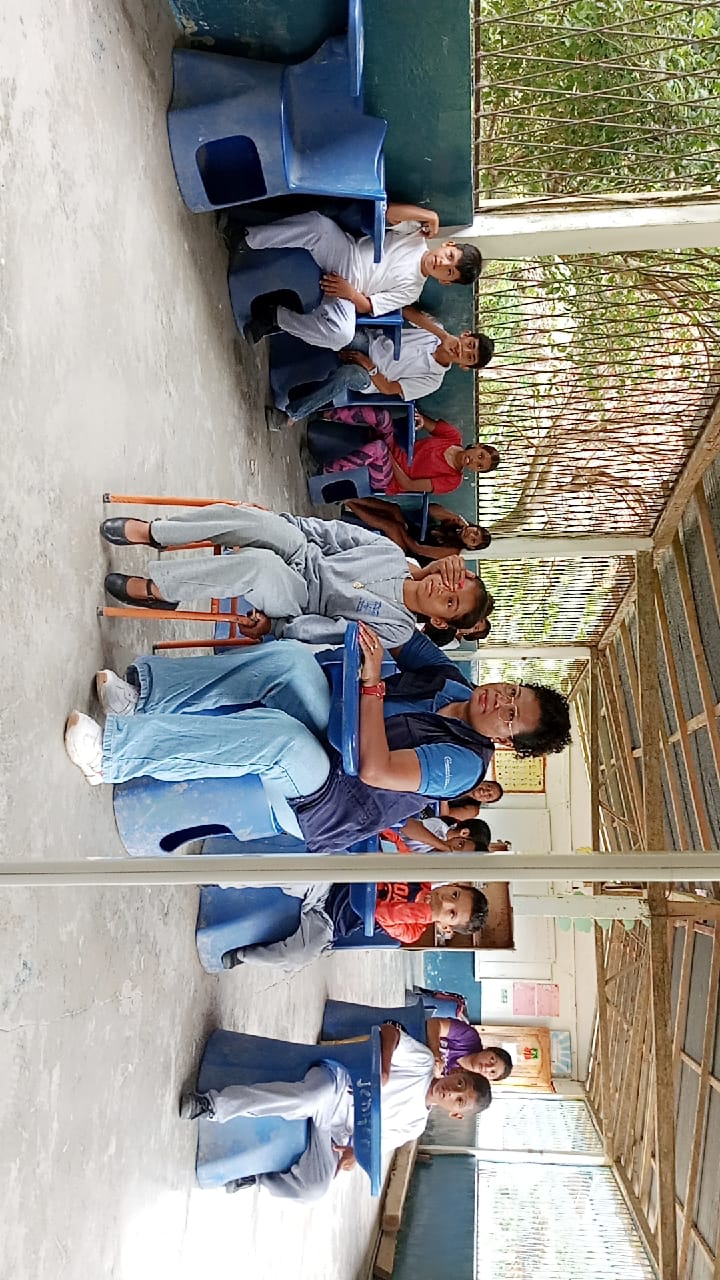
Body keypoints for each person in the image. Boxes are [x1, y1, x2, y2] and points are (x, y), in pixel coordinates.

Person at [64, 623, 570, 855]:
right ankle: (144, 701)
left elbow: (375, 769)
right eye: (513, 692)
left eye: (511, 718)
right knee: (289, 661)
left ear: (507, 743)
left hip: (334, 797)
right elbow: (399, 626)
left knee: (282, 740)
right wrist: (417, 583)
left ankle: (113, 757)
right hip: (336, 735)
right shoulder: (452, 681)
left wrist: (372, 683)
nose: (501, 702)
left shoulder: (463, 765)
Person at [100, 506, 490, 648]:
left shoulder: (398, 629)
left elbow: (331, 632)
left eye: (449, 602)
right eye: (451, 584)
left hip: (301, 599)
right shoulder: (390, 555)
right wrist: (281, 524)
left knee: (259, 566)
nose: (441, 589)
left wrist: (277, 627)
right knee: (257, 523)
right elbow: (333, 534)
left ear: (440, 621)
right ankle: (155, 532)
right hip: (306, 554)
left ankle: (159, 590)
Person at [179, 1023, 490, 1201]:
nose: (452, 1092)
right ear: (456, 1072)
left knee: (315, 1188)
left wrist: (356, 1153)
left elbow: (374, 1144)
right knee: (308, 1099)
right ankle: (212, 1105)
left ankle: (256, 1178)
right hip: (337, 1084)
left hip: (334, 1131)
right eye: (459, 1083)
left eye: (459, 1100)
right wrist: (383, 1066)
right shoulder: (423, 1063)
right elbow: (389, 1032)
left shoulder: (415, 1126)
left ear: (456, 1114)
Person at [232, 207, 482, 347]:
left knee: (341, 336)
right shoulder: (415, 236)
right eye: (449, 256)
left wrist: (349, 293)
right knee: (319, 226)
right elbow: (389, 213)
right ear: (448, 245)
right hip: (345, 253)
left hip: (350, 290)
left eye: (449, 271)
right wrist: (430, 217)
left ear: (445, 281)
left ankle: (275, 317)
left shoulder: (412, 291)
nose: (443, 263)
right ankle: (247, 238)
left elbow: (369, 306)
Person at [220, 880, 488, 972]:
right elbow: (390, 840)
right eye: (454, 894)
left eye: (451, 913)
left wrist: (425, 912)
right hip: (331, 884)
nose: (445, 901)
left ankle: (244, 955)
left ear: (446, 928)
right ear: (451, 884)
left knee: (298, 956)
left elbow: (379, 913)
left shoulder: (412, 931)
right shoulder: (417, 874)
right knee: (292, 874)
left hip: (328, 922)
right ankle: (222, 877)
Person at [276, 319, 494, 423]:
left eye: (469, 357)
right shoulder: (435, 331)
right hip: (370, 342)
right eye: (469, 345)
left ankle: (291, 415)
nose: (463, 351)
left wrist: (368, 365)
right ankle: (277, 323)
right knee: (343, 333)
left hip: (371, 377)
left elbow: (389, 389)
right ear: (465, 335)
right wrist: (442, 335)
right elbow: (407, 312)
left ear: (464, 366)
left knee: (347, 375)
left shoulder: (433, 380)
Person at [318, 404, 500, 495]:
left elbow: (408, 485)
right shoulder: (453, 436)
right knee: (382, 416)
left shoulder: (453, 481)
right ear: (478, 446)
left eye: (479, 466)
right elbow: (426, 422)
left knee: (378, 448)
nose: (475, 461)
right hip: (393, 449)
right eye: (480, 456)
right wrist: (420, 420)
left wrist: (389, 456)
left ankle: (326, 471)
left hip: (388, 479)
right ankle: (324, 412)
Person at [344, 495, 492, 565]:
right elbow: (431, 510)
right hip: (410, 534)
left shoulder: (452, 551)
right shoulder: (454, 525)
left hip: (407, 553)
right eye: (475, 532)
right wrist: (455, 517)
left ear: (470, 546)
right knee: (394, 509)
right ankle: (353, 498)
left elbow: (417, 549)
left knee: (392, 527)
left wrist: (402, 531)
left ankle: (349, 503)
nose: (471, 534)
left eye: (473, 540)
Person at [426, 1017, 513, 1082]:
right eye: (492, 1060)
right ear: (488, 1050)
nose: (487, 1067)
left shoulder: (464, 1084)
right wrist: (435, 1052)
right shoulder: (469, 1037)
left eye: (492, 1072)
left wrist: (436, 1077)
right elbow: (434, 1023)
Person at [397, 816, 491, 854]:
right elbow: (407, 825)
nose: (454, 849)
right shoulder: (439, 828)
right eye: (460, 844)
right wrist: (442, 846)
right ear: (464, 833)